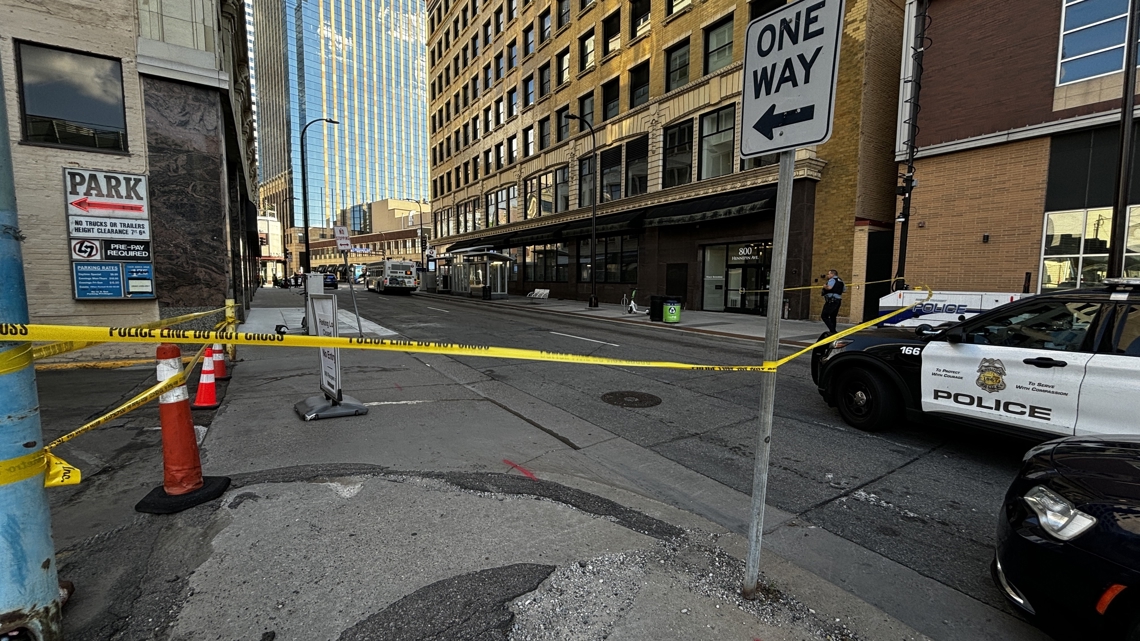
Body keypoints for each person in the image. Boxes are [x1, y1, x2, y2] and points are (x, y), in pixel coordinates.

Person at [821, 269, 844, 334]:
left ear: (832, 274)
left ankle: (833, 330)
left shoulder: (832, 280)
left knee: (824, 316)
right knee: (833, 316)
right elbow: (844, 290)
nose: (827, 275)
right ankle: (833, 330)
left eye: (829, 274)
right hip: (838, 301)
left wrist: (825, 286)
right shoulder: (841, 281)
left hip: (831, 301)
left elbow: (829, 288)